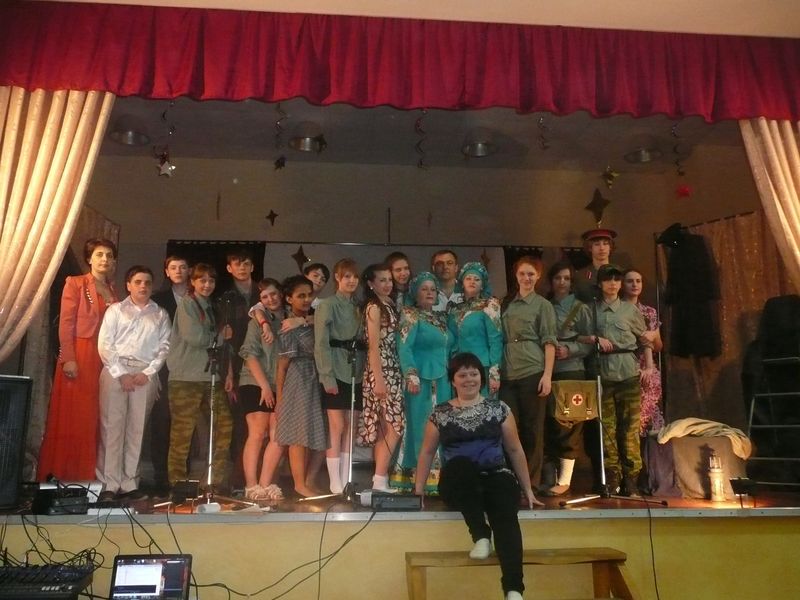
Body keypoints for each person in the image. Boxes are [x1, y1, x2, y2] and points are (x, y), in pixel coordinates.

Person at [415, 353, 541, 600]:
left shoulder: (499, 409)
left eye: (473, 374)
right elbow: (427, 452)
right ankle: (481, 536)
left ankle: (514, 589)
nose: (469, 379)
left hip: (495, 476)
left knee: (505, 509)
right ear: (453, 380)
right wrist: (418, 490)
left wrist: (528, 489)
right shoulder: (440, 413)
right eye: (462, 375)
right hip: (459, 483)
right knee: (460, 465)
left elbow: (515, 450)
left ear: (481, 378)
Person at [38, 238, 119, 481]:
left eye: (109, 255)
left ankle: (89, 475)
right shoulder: (75, 283)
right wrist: (68, 358)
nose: (104, 259)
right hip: (81, 353)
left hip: (104, 357)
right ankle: (66, 474)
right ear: (89, 258)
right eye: (99, 254)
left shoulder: (113, 290)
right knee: (76, 415)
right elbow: (66, 323)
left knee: (96, 416)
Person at [96, 266, 171, 502]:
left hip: (144, 374)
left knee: (137, 429)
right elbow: (105, 344)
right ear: (128, 285)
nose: (143, 286)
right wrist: (121, 374)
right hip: (115, 370)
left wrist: (148, 372)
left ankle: (130, 483)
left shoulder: (160, 314)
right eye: (138, 282)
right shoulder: (116, 310)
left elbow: (165, 347)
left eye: (147, 282)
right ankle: (109, 484)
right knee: (112, 428)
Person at [576, 264, 649, 496]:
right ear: (600, 283)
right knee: (606, 428)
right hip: (603, 374)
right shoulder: (590, 310)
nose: (613, 284)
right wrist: (594, 339)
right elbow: (575, 336)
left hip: (627, 373)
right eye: (608, 280)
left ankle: (632, 478)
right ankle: (612, 476)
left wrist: (649, 366)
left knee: (630, 429)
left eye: (617, 279)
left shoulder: (629, 310)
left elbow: (644, 339)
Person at [167, 264, 233, 491]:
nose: (207, 285)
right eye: (202, 280)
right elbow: (195, 337)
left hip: (209, 377)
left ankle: (213, 480)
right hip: (186, 378)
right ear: (192, 282)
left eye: (211, 281)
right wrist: (221, 336)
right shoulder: (187, 304)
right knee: (182, 433)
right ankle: (177, 484)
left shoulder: (212, 306)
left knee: (224, 425)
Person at [391, 272, 454, 492]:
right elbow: (404, 346)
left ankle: (439, 478)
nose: (429, 293)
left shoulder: (441, 319)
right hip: (420, 380)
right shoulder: (410, 314)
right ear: (415, 293)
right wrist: (411, 374)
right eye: (424, 289)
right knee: (420, 425)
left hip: (443, 380)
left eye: (433, 289)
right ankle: (416, 477)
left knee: (442, 427)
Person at [267, 275, 327, 498]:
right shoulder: (288, 325)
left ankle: (309, 481)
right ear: (289, 298)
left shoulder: (313, 318)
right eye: (301, 295)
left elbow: (326, 319)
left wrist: (305, 321)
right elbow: (282, 365)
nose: (306, 299)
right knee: (298, 436)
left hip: (317, 377)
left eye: (309, 295)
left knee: (315, 433)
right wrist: (280, 399)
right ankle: (299, 484)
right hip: (298, 378)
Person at [499, 256, 557, 488]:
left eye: (531, 274)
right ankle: (510, 480)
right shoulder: (506, 303)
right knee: (508, 429)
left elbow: (549, 342)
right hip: (507, 372)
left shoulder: (543, 305)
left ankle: (529, 483)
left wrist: (547, 375)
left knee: (532, 430)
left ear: (538, 276)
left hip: (532, 370)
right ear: (515, 275)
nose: (526, 278)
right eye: (522, 273)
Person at [314, 258, 365, 494]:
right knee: (337, 425)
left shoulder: (359, 306)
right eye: (347, 276)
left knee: (352, 426)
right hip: (335, 369)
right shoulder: (327, 305)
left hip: (356, 371)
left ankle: (346, 477)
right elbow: (321, 343)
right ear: (337, 277)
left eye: (355, 277)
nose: (351, 281)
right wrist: (326, 376)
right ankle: (334, 479)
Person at [542, 261, 592, 496]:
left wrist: (570, 350)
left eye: (567, 278)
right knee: (548, 424)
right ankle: (548, 477)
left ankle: (565, 480)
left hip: (572, 370)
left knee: (568, 424)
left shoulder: (581, 308)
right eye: (557, 278)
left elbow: (590, 342)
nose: (562, 282)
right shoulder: (544, 305)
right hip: (546, 371)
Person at [238, 278, 285, 501]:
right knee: (257, 433)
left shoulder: (289, 318)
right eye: (265, 297)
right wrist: (265, 386)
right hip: (255, 381)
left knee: (279, 435)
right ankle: (251, 484)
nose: (270, 299)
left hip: (281, 383)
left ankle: (266, 483)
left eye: (273, 294)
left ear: (281, 294)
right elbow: (249, 354)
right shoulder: (256, 321)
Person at [359, 263, 405, 492]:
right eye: (382, 280)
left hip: (393, 368)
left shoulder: (390, 305)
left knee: (387, 427)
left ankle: (380, 479)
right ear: (371, 284)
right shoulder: (373, 307)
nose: (387, 284)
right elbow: (373, 347)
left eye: (389, 279)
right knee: (395, 425)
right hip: (382, 369)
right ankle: (379, 478)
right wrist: (378, 379)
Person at [219, 249, 261, 492]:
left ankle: (259, 478)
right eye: (237, 263)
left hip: (263, 366)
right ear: (229, 268)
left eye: (246, 263)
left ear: (252, 267)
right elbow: (225, 341)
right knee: (240, 425)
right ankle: (238, 480)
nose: (242, 268)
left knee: (262, 427)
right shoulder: (225, 298)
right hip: (236, 366)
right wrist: (228, 373)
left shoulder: (262, 293)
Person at [150, 255, 189, 494]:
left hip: (190, 368)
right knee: (162, 421)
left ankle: (182, 475)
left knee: (185, 423)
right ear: (166, 272)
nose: (178, 271)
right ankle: (160, 476)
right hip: (164, 367)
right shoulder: (158, 300)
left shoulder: (198, 297)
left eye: (183, 267)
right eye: (173, 267)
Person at [448, 261, 503, 396]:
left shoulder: (489, 305)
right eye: (468, 278)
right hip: (460, 368)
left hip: (481, 367)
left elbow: (495, 339)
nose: (472, 281)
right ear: (462, 283)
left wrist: (494, 373)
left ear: (482, 284)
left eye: (477, 279)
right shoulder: (454, 310)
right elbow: (451, 341)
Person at [622, 268, 665, 436]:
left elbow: (658, 346)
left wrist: (654, 335)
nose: (634, 285)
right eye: (630, 281)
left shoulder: (649, 312)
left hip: (647, 365)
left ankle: (651, 445)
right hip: (626, 365)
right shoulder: (618, 310)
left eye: (638, 281)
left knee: (650, 413)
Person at [574, 228, 616, 304]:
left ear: (610, 247)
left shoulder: (619, 273)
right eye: (597, 244)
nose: (602, 248)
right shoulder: (580, 276)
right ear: (590, 248)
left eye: (605, 244)